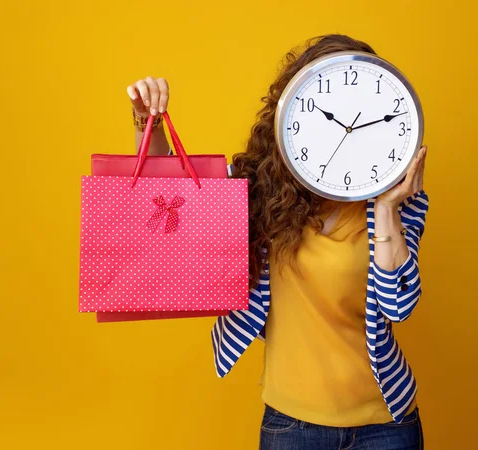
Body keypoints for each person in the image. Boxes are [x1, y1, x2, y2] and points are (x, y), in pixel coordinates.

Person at [127, 34, 429, 450]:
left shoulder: (399, 204)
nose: (347, 128)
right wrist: (151, 124)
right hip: (292, 427)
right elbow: (175, 212)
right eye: (331, 114)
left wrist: (387, 204)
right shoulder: (259, 189)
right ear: (291, 116)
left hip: (386, 425)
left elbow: (400, 306)